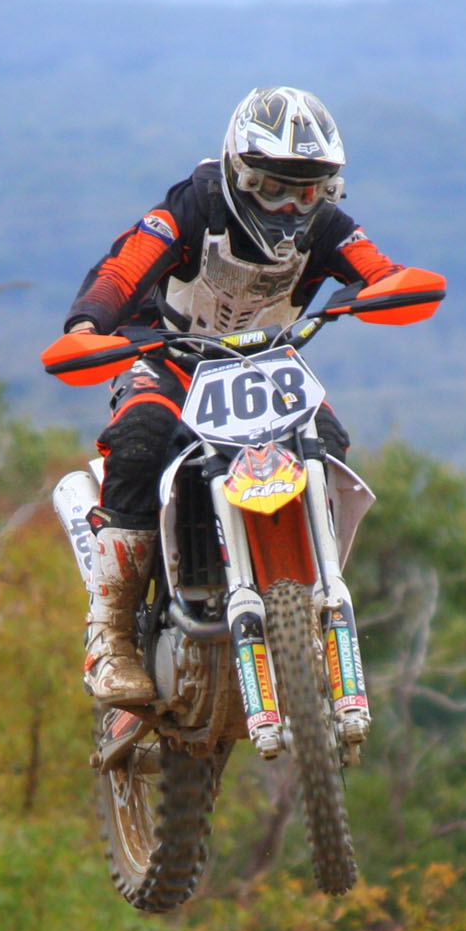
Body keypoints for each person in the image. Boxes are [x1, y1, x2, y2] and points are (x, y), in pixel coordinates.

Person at [64, 85, 409, 706]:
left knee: (329, 442)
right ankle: (110, 638)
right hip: (167, 358)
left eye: (308, 191)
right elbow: (124, 266)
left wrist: (394, 286)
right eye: (274, 188)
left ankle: (310, 596)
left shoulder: (328, 227)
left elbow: (376, 266)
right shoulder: (191, 208)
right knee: (141, 437)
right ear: (238, 172)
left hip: (269, 367)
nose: (290, 207)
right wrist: (89, 325)